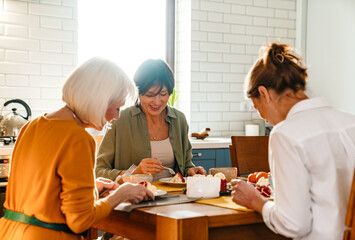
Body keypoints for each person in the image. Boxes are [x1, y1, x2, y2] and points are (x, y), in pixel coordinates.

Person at [0, 57, 154, 240]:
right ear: (99, 101)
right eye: (117, 108)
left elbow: (43, 197)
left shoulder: (31, 126)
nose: (117, 116)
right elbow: (80, 220)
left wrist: (92, 189)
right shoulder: (78, 138)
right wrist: (122, 193)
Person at [231, 43, 355, 239]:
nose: (264, 118)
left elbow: (293, 224)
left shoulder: (286, 134)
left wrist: (256, 201)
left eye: (256, 106)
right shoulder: (354, 123)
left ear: (264, 94)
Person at [96, 59, 206, 182]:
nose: (157, 102)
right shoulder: (120, 120)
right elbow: (99, 171)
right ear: (138, 93)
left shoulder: (179, 120)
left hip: (175, 196)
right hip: (135, 197)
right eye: (150, 95)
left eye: (163, 94)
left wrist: (191, 170)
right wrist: (133, 172)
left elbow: (185, 166)